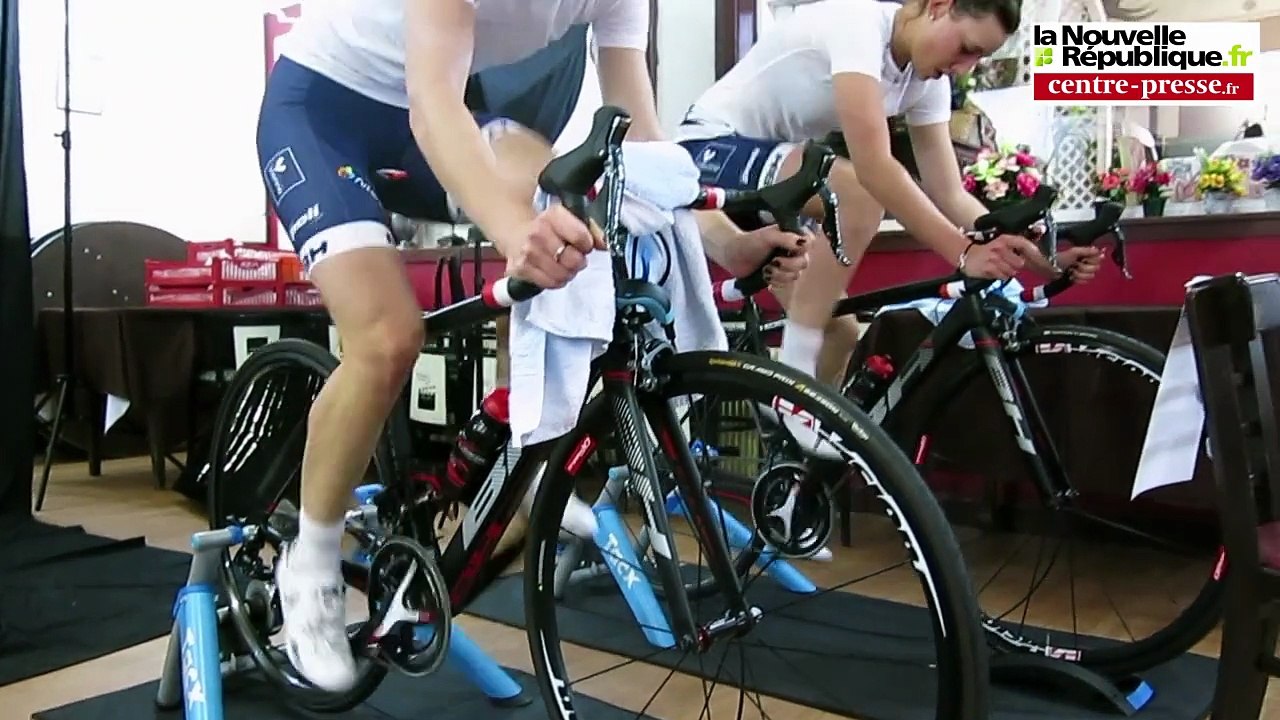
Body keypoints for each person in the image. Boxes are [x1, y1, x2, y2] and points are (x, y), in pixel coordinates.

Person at [256, 0, 810, 693]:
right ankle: (310, 563)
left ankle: (518, 448)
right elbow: (434, 108)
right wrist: (516, 231)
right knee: (389, 336)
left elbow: (639, 147)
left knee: (565, 185)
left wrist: (728, 240)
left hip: (431, 115)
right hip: (324, 114)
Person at [677, 0, 1104, 417]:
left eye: (980, 58)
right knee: (859, 193)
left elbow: (949, 193)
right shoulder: (861, 25)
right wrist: (963, 252)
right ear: (938, 6)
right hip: (708, 149)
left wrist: (1041, 258)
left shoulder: (927, 83)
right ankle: (794, 383)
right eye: (967, 49)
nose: (964, 68)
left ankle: (795, 467)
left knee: (840, 331)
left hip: (779, 181)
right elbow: (875, 167)